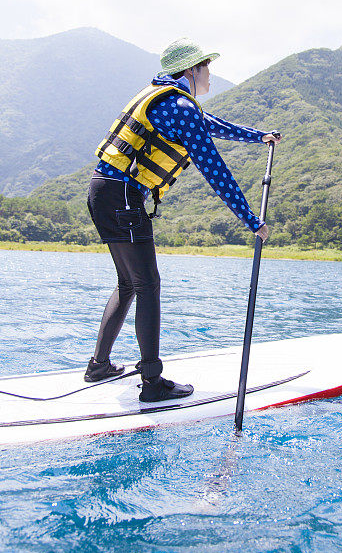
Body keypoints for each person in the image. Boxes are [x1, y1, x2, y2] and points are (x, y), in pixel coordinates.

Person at [85, 38, 281, 403]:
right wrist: (251, 220)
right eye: (207, 66)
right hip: (123, 197)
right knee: (147, 285)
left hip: (103, 192)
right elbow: (215, 169)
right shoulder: (178, 106)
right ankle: (152, 383)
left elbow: (212, 125)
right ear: (191, 69)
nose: (211, 73)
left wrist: (260, 137)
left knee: (130, 283)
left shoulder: (170, 101)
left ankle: (99, 365)